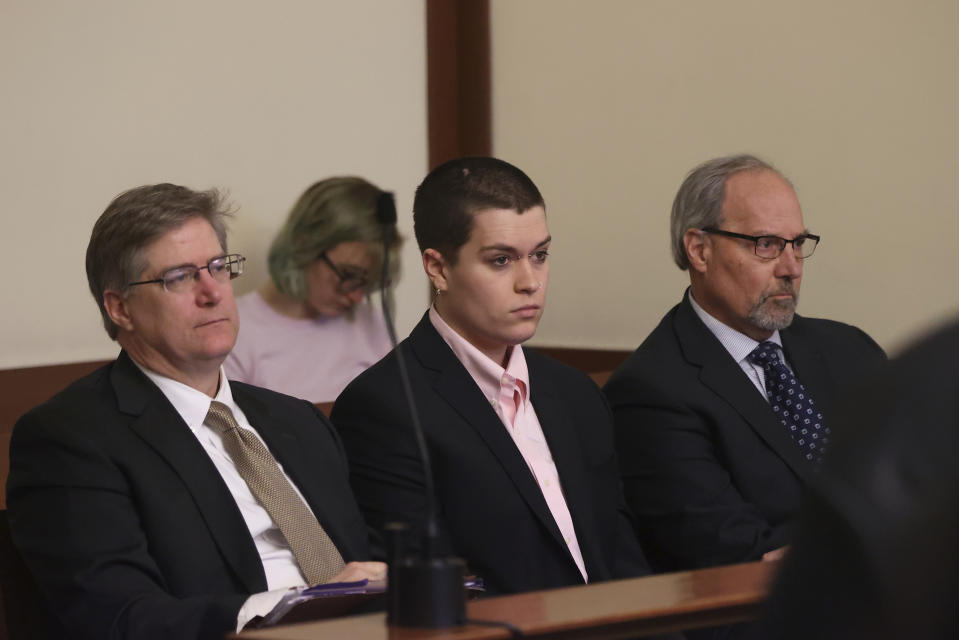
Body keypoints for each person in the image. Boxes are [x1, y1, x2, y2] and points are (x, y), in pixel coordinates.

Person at [6, 184, 384, 640]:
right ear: (120, 308)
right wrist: (300, 608)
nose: (212, 293)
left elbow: (369, 560)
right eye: (179, 277)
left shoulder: (298, 421)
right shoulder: (69, 439)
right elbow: (121, 617)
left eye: (220, 268)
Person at [331, 157, 650, 596]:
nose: (530, 282)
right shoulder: (384, 406)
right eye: (501, 260)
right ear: (438, 268)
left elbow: (622, 557)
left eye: (540, 256)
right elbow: (432, 589)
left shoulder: (575, 393)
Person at [604, 154, 886, 573]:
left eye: (797, 244)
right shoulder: (651, 392)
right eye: (766, 245)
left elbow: (919, 481)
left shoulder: (850, 350)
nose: (791, 268)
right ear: (699, 250)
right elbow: (738, 554)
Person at [761, 318, 959, 640]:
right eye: (766, 261)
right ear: (700, 262)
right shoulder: (936, 374)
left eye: (800, 260)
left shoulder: (850, 346)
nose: (790, 269)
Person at [225, 177, 401, 402]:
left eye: (368, 283)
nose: (358, 297)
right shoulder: (235, 330)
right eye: (349, 276)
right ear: (303, 245)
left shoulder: (371, 325)